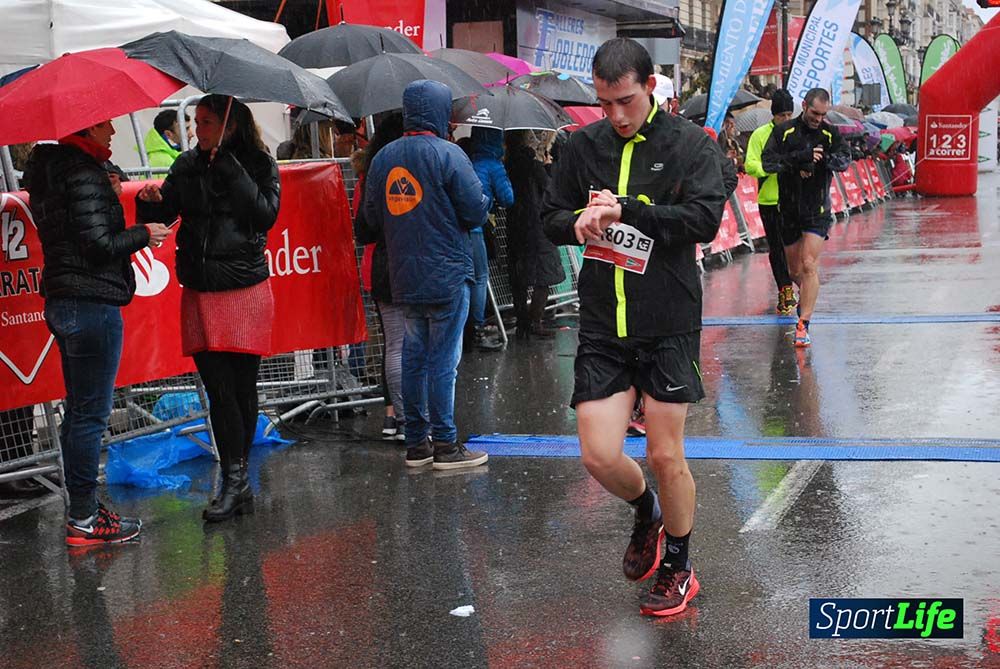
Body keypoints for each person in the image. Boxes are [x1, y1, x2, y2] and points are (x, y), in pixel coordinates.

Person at [542, 38, 726, 617]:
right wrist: (578, 223)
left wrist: (628, 209)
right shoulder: (581, 147)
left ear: (651, 87)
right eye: (605, 104)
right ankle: (645, 510)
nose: (616, 116)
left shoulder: (690, 144)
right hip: (602, 323)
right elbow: (548, 217)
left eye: (625, 101)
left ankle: (679, 564)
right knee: (598, 455)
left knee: (667, 454)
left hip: (667, 322)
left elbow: (704, 218)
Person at [25, 120, 172, 546]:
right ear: (86, 129)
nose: (112, 131)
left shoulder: (54, 170)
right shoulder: (81, 171)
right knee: (90, 416)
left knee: (79, 413)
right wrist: (145, 232)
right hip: (90, 301)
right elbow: (98, 245)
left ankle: (83, 512)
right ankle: (85, 519)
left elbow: (80, 232)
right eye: (105, 124)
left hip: (65, 299)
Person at [136, 95, 280, 521]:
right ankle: (234, 481)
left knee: (241, 388)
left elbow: (264, 214)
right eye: (196, 121)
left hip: (243, 288)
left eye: (207, 122)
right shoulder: (187, 164)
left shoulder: (257, 162)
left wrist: (230, 169)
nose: (198, 130)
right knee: (218, 390)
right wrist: (149, 202)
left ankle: (238, 481)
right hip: (200, 288)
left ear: (230, 126)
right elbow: (169, 212)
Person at [363, 80, 490, 471]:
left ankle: (416, 442)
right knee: (443, 361)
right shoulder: (448, 155)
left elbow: (367, 221)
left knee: (414, 357)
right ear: (438, 113)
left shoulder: (384, 158)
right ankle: (446, 444)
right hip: (448, 272)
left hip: (403, 274)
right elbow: (474, 212)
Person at [762, 87, 851, 347]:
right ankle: (808, 295)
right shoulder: (784, 131)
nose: (818, 119)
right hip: (789, 209)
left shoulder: (829, 132)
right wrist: (799, 160)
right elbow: (768, 162)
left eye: (823, 114)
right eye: (814, 113)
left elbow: (845, 160)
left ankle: (804, 323)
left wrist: (824, 161)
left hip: (817, 210)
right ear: (804, 106)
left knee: (809, 264)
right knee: (794, 270)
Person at [353, 114, 407, 441]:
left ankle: (393, 418)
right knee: (409, 345)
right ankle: (407, 419)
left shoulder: (367, 174)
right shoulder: (404, 170)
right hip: (402, 263)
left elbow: (363, 226)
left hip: (376, 265)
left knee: (393, 344)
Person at [505, 130, 564, 340]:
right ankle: (535, 321)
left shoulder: (508, 164)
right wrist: (548, 167)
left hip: (516, 225)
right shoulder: (534, 165)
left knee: (519, 279)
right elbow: (550, 189)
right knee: (544, 276)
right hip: (538, 226)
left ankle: (523, 322)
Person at [744, 89, 797, 315]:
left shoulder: (797, 133)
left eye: (789, 115)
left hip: (794, 200)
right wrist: (771, 168)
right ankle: (784, 290)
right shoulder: (760, 135)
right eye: (781, 115)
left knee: (794, 248)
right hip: (769, 200)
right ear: (773, 115)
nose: (785, 119)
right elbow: (750, 165)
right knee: (777, 248)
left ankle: (797, 287)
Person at [467, 127, 512, 352]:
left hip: (456, 229)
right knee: (479, 277)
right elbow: (508, 197)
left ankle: (464, 329)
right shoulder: (493, 165)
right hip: (476, 227)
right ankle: (476, 330)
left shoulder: (465, 158)